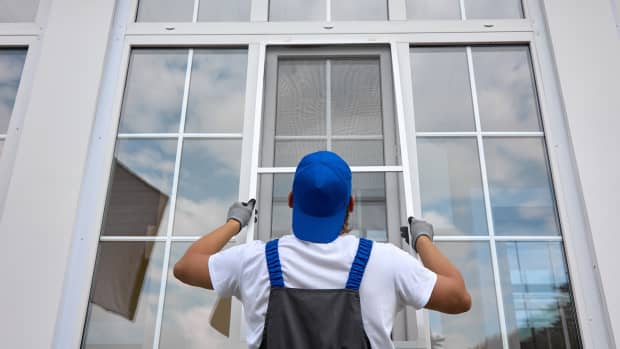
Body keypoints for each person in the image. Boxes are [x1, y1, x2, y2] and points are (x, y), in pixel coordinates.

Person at [174, 151, 471, 349]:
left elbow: (186, 266)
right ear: (350, 205)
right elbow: (459, 297)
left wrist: (234, 224)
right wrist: (422, 241)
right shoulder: (385, 262)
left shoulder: (254, 260)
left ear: (291, 199)